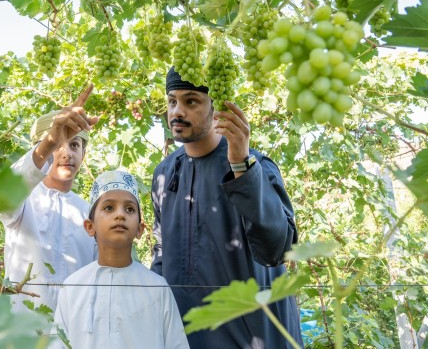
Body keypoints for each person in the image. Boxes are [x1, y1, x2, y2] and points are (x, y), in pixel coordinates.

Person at [150, 67, 302, 348]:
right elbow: (161, 255)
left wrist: (241, 167)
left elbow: (278, 249)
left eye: (191, 101)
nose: (177, 112)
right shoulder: (164, 172)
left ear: (217, 108)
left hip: (251, 337)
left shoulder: (254, 165)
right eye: (172, 101)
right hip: (182, 337)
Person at [55, 170, 189, 349]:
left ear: (140, 229)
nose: (120, 215)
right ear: (90, 226)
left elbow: (176, 344)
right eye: (109, 208)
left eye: (130, 209)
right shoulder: (72, 287)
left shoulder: (157, 287)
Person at [0, 85, 99, 314]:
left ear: (84, 153)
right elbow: (3, 198)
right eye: (58, 146)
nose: (66, 153)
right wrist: (50, 139)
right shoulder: (23, 202)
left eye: (74, 145)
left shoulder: (89, 214)